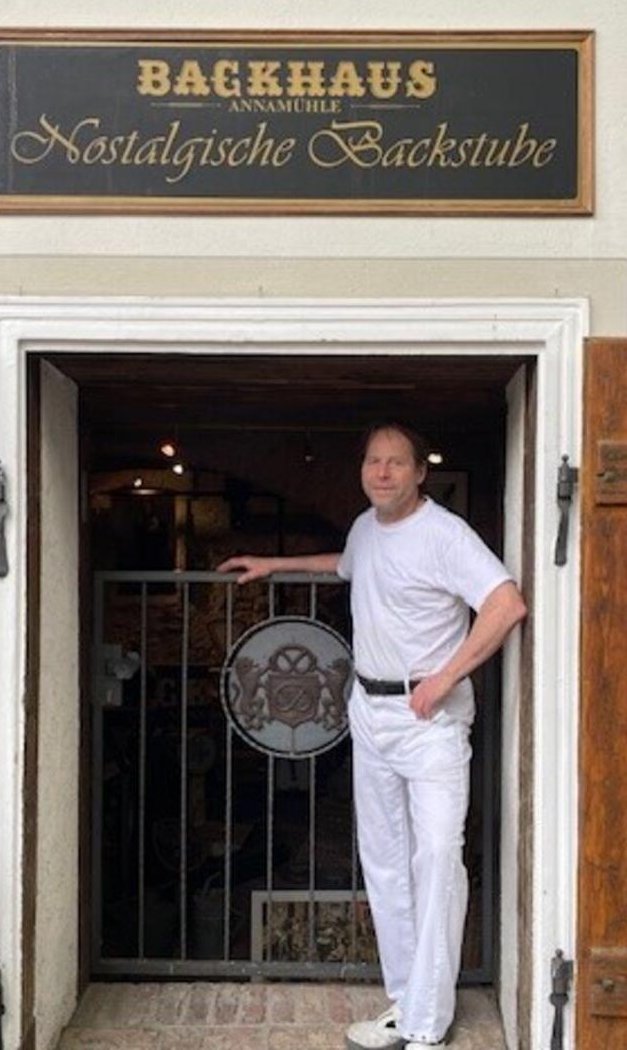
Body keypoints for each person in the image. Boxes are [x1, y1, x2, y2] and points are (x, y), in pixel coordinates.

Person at [218, 422, 527, 1049]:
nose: (382, 472)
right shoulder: (365, 527)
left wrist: (445, 677)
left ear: (420, 472)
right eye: (373, 461)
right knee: (385, 862)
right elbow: (345, 564)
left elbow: (505, 604)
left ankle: (429, 1025)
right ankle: (408, 1004)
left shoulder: (445, 534)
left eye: (396, 462)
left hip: (430, 719)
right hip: (370, 709)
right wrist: (274, 564)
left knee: (436, 858)